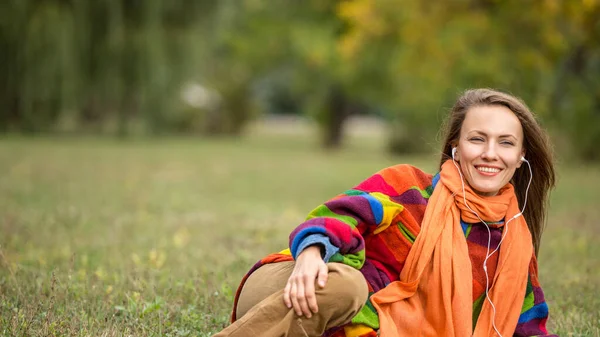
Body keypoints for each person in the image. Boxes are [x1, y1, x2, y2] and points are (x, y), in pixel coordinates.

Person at [213, 88, 558, 337]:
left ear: (521, 154)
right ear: (455, 145)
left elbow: (527, 325)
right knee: (345, 286)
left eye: (506, 143)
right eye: (477, 139)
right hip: (295, 285)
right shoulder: (408, 186)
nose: (490, 154)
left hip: (356, 327)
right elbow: (339, 215)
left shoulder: (512, 245)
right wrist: (312, 253)